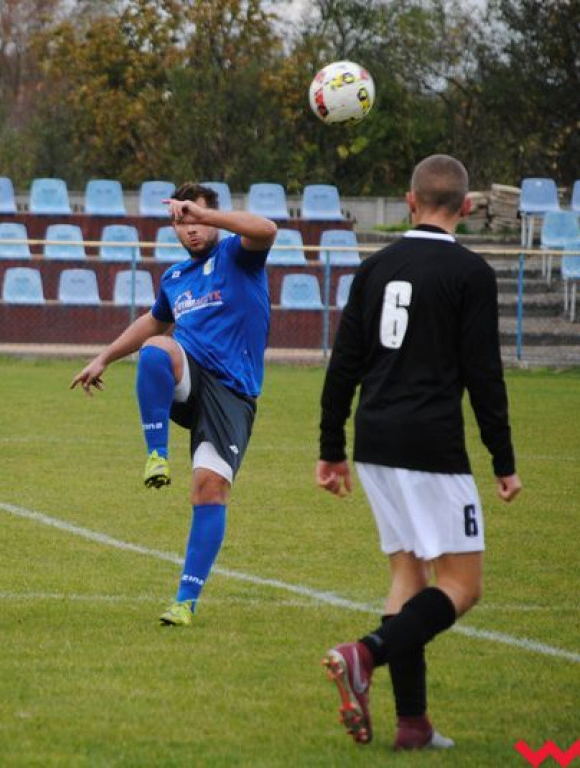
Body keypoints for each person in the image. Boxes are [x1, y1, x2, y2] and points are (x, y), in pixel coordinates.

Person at [316, 154, 522, 750]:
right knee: (463, 584)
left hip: (374, 442)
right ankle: (365, 654)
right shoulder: (472, 274)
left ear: (409, 201)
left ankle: (413, 724)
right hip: (431, 444)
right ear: (466, 208)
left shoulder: (373, 267)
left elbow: (344, 365)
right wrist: (503, 460)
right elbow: (484, 375)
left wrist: (331, 447)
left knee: (408, 575)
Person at [71, 183, 277, 627]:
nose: (190, 230)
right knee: (157, 349)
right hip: (189, 380)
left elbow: (266, 228)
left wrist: (205, 215)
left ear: (214, 219)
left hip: (232, 395)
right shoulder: (175, 278)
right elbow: (153, 321)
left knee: (208, 489)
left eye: (197, 220)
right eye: (182, 223)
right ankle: (156, 455)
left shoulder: (239, 256)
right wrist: (104, 356)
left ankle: (184, 601)